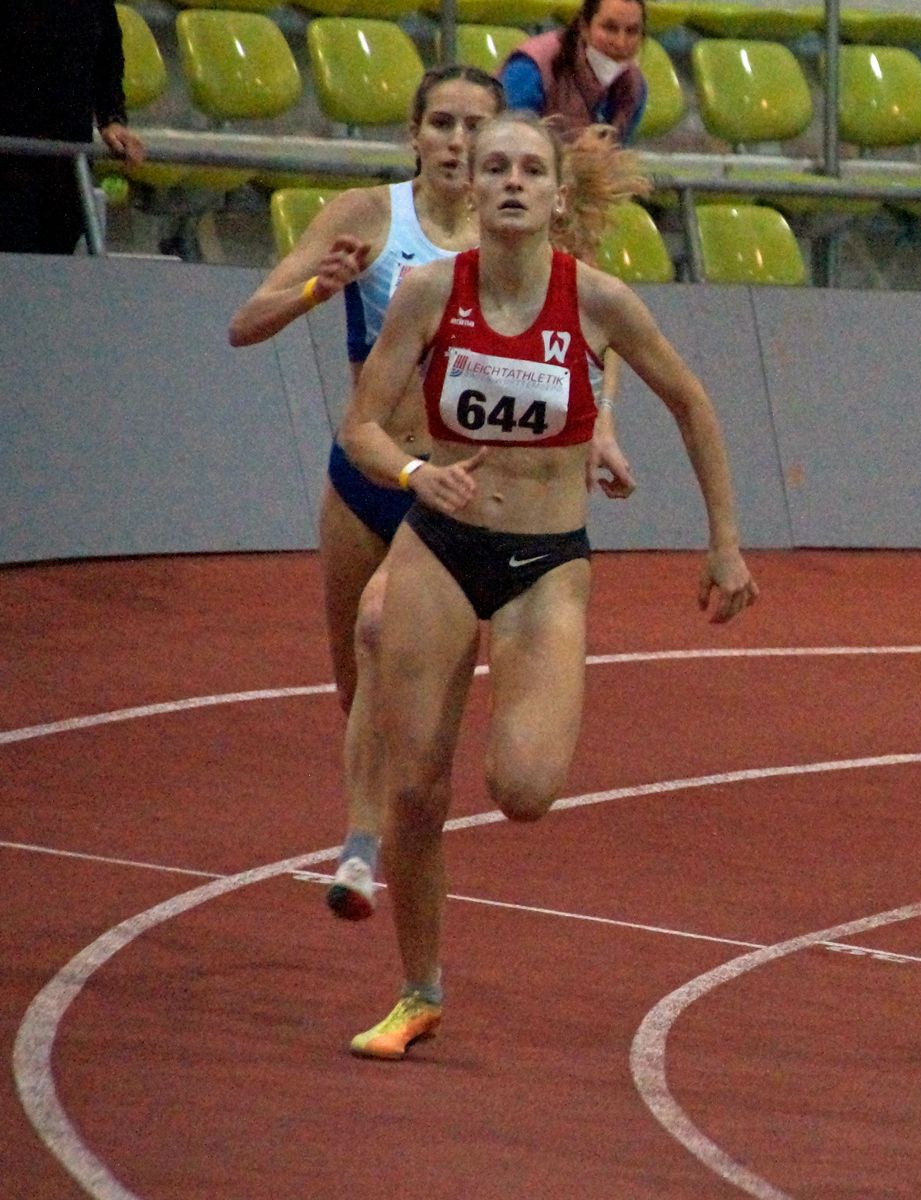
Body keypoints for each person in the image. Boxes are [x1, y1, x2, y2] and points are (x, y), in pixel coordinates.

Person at [337, 112, 757, 1059]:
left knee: (524, 788)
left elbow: (691, 402)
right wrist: (414, 475)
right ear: (472, 188)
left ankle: (517, 697)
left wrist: (725, 543)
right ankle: (418, 991)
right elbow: (360, 428)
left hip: (545, 563)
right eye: (496, 168)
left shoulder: (598, 302)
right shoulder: (429, 292)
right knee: (418, 789)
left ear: (559, 196)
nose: (514, 182)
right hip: (440, 546)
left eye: (531, 169)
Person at [227, 67, 637, 924]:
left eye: (474, 127)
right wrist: (321, 287)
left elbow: (598, 341)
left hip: (457, 491)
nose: (458, 142)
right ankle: (378, 823)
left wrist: (600, 428)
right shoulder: (370, 216)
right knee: (362, 690)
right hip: (368, 480)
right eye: (442, 124)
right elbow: (246, 322)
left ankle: (360, 851)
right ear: (414, 136)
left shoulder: (518, 223)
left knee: (382, 629)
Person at [0, 0, 146, 254]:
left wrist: (112, 118)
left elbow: (107, 50)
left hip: (66, 156)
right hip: (10, 152)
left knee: (55, 248)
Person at [501, 0, 649, 146]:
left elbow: (619, 149)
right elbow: (507, 143)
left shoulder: (634, 86)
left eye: (632, 31)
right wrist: (572, 153)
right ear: (584, 27)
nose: (620, 43)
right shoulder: (531, 68)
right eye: (609, 28)